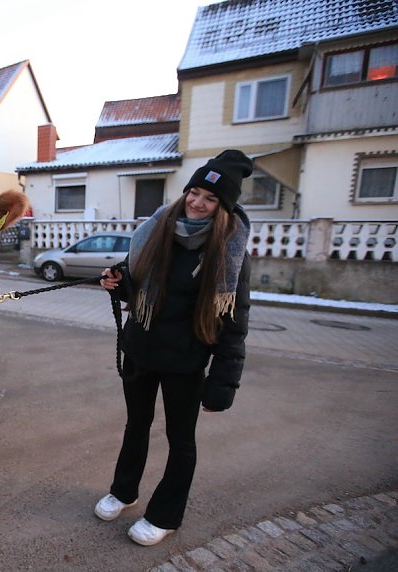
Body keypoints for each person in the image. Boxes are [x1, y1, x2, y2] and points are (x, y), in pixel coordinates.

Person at [95, 150, 253, 546]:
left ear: (224, 206)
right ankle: (124, 491)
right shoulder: (157, 229)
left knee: (181, 440)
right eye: (194, 192)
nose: (198, 202)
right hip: (141, 351)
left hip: (186, 361)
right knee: (136, 426)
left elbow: (234, 320)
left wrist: (223, 382)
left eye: (211, 198)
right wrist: (118, 282)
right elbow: (137, 285)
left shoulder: (229, 249)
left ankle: (165, 515)